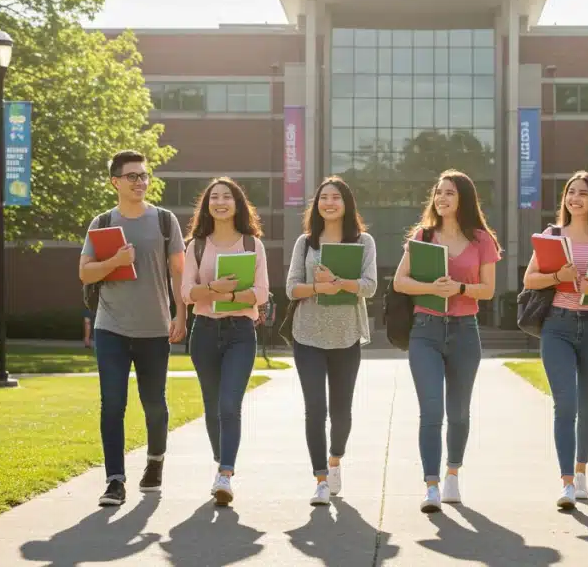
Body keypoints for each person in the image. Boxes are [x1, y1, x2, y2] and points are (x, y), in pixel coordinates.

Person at [78, 150, 186, 507]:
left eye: (144, 175)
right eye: (132, 176)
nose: (140, 182)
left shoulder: (165, 221)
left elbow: (179, 272)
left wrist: (181, 315)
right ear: (115, 182)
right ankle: (115, 481)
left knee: (154, 403)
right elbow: (85, 273)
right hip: (111, 327)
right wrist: (115, 261)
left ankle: (155, 461)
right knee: (112, 404)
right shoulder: (102, 223)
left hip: (154, 328)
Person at [393, 169, 501, 513]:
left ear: (463, 198)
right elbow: (399, 282)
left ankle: (452, 472)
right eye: (438, 192)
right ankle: (431, 486)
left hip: (464, 331)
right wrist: (431, 288)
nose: (441, 198)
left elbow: (488, 290)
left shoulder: (482, 240)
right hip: (425, 330)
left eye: (449, 192)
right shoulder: (423, 236)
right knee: (431, 411)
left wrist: (460, 288)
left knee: (458, 413)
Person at [522, 170, 588, 510]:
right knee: (565, 404)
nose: (575, 198)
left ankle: (581, 470)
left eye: (582, 193)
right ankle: (567, 482)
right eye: (571, 192)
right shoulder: (552, 236)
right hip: (558, 326)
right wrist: (558, 276)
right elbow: (530, 279)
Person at [285, 176, 377, 507]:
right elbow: (291, 288)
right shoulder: (305, 243)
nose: (329, 202)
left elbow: (370, 286)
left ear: (346, 204)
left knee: (341, 412)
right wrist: (317, 288)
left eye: (336, 197)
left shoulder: (363, 241)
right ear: (317, 204)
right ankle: (321, 479)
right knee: (315, 409)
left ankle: (335, 459)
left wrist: (338, 281)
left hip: (346, 336)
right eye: (324, 197)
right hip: (307, 336)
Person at [181, 177, 270, 506]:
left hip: (240, 334)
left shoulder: (252, 245)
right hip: (204, 332)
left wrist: (229, 295)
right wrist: (213, 289)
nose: (220, 202)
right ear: (207, 206)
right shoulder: (196, 245)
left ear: (237, 204)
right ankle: (222, 460)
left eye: (227, 197)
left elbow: (261, 293)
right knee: (212, 406)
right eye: (214, 197)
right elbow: (186, 293)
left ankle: (225, 474)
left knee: (229, 404)